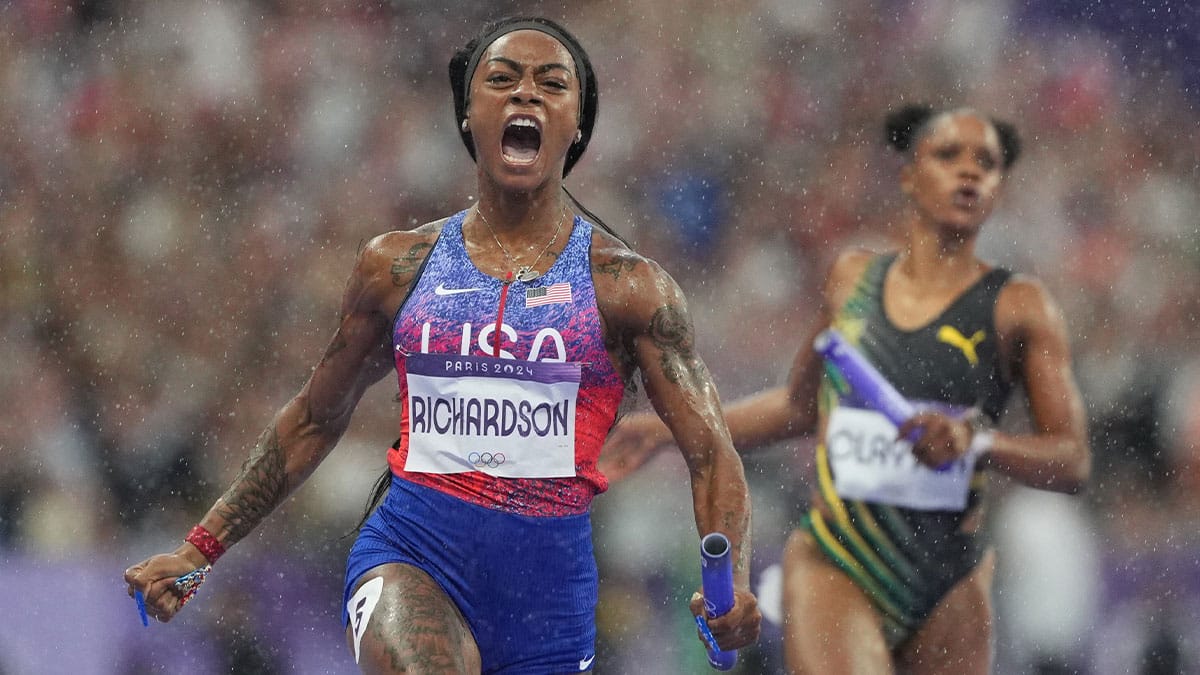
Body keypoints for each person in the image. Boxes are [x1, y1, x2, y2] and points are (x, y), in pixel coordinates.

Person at [123, 16, 760, 674]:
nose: (525, 96)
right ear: (466, 115)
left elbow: (711, 452)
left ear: (576, 126)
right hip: (410, 554)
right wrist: (200, 547)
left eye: (551, 84)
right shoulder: (396, 266)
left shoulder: (631, 289)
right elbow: (315, 416)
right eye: (502, 80)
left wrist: (732, 583)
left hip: (549, 604)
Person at [601, 104, 1092, 674]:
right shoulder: (853, 279)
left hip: (948, 575)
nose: (968, 172)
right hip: (839, 559)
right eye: (948, 155)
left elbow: (1072, 459)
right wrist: (667, 430)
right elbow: (797, 405)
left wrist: (976, 443)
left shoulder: (1021, 308)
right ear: (909, 175)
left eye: (986, 162)